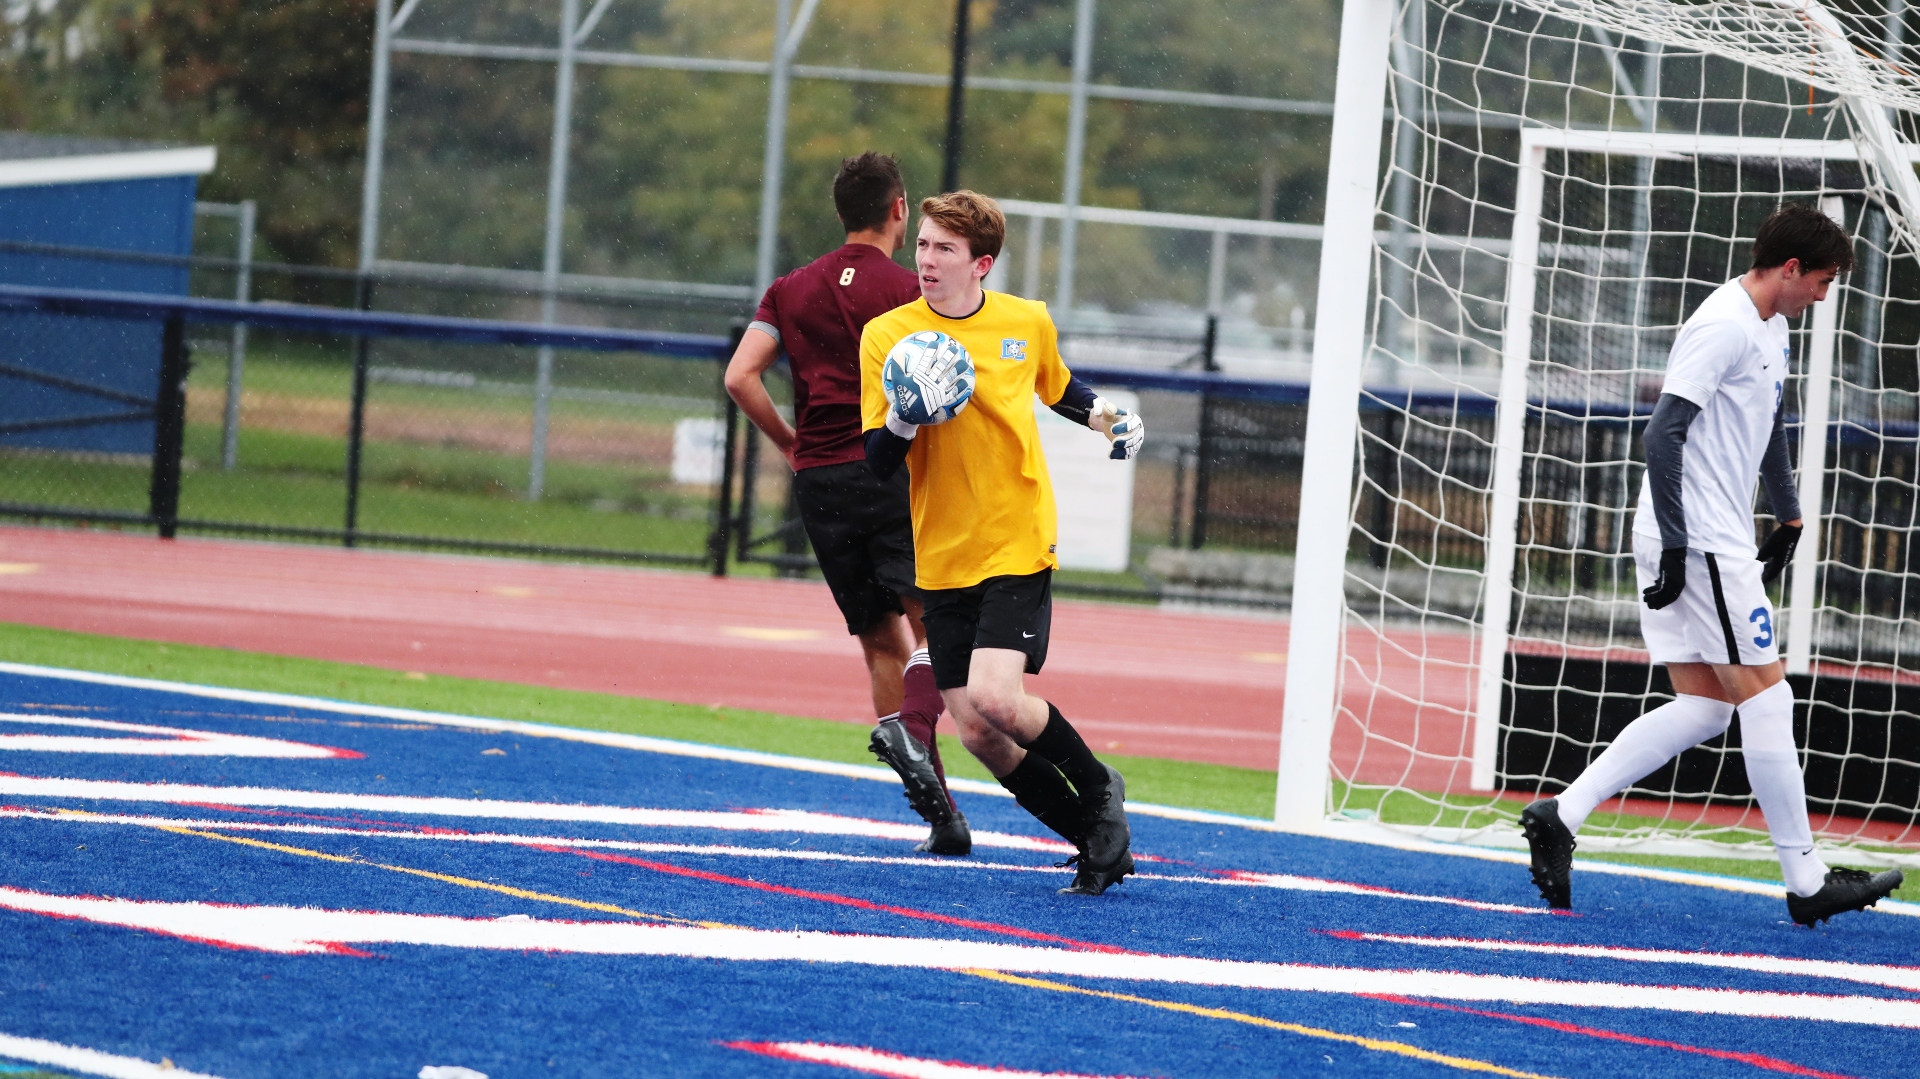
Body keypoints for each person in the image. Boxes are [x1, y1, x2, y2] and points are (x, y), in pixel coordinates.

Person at [1520, 203, 1902, 925]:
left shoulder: (1773, 326)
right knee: (1768, 697)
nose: (1823, 296)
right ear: (1790, 269)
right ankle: (1807, 879)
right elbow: (1662, 434)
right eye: (1820, 282)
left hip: (1705, 534)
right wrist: (1674, 540)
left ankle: (1561, 814)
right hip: (1697, 538)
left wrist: (1788, 509)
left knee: (1707, 703)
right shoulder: (1722, 323)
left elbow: (1770, 422)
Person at [859, 190, 1146, 895]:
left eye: (944, 249)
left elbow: (1061, 388)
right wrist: (903, 414)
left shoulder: (1026, 321)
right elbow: (875, 460)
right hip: (944, 550)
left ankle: (1100, 792)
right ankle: (1092, 837)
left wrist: (1112, 418)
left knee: (996, 695)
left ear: (980, 262)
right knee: (979, 732)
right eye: (922, 244)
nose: (926, 259)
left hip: (1016, 533)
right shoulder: (887, 335)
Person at [724, 152, 970, 855]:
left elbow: (741, 377)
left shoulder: (791, 289)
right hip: (889, 471)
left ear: (841, 213)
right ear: (900, 210)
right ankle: (924, 741)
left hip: (822, 480)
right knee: (936, 630)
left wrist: (791, 441)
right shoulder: (909, 292)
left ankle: (941, 811)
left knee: (877, 640)